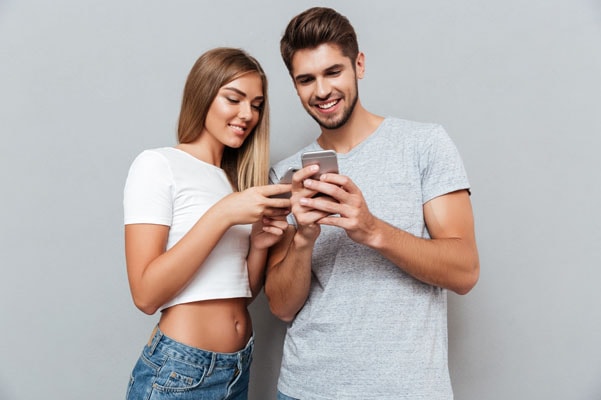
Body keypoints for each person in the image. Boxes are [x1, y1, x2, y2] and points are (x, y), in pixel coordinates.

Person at [265, 7, 480, 400]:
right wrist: (304, 238)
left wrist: (372, 229)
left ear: (358, 65)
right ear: (295, 87)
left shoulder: (424, 145)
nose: (322, 91)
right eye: (306, 79)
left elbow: (464, 270)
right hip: (307, 389)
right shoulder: (286, 173)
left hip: (407, 389)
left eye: (333, 72)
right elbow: (280, 306)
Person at [123, 47, 291, 400]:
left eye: (257, 105)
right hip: (181, 372)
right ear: (203, 95)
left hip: (238, 367)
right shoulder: (158, 165)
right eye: (234, 99)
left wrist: (259, 245)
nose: (247, 114)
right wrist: (223, 213)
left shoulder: (233, 181)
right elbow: (145, 294)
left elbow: (238, 296)